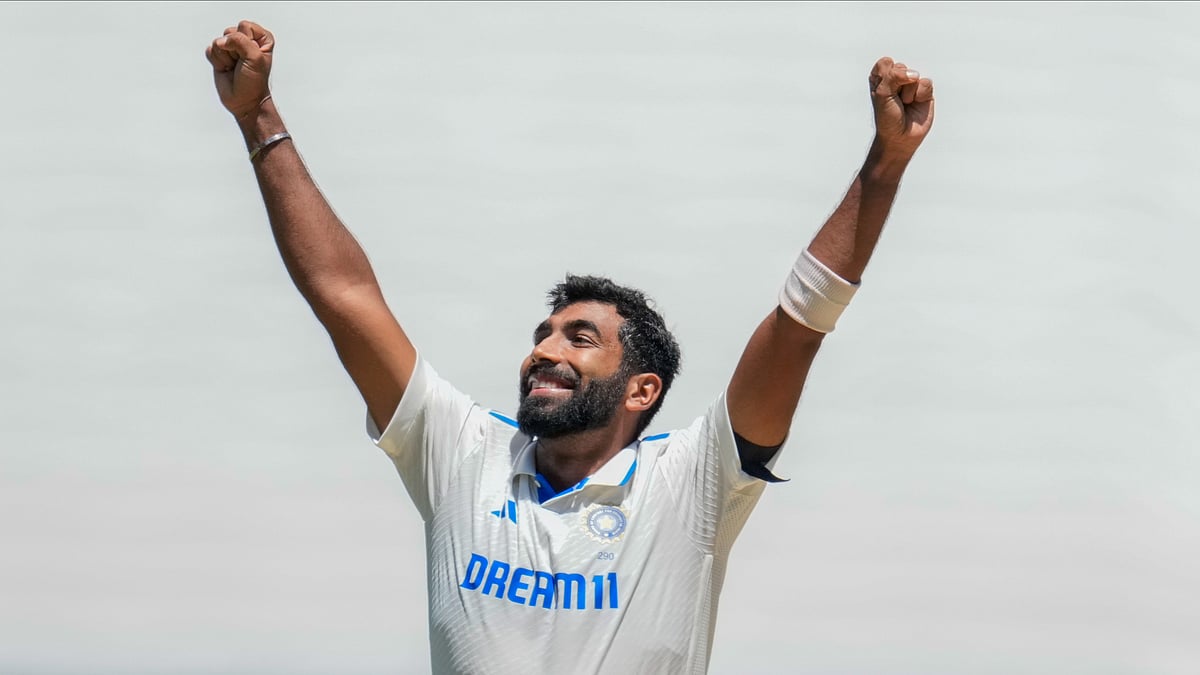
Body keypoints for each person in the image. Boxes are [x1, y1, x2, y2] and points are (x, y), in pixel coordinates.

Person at [206, 19, 934, 675]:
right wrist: (257, 118)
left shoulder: (692, 482)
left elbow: (800, 323)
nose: (543, 351)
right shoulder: (461, 452)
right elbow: (342, 294)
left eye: (579, 338)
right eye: (541, 335)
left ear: (642, 388)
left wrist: (886, 163)